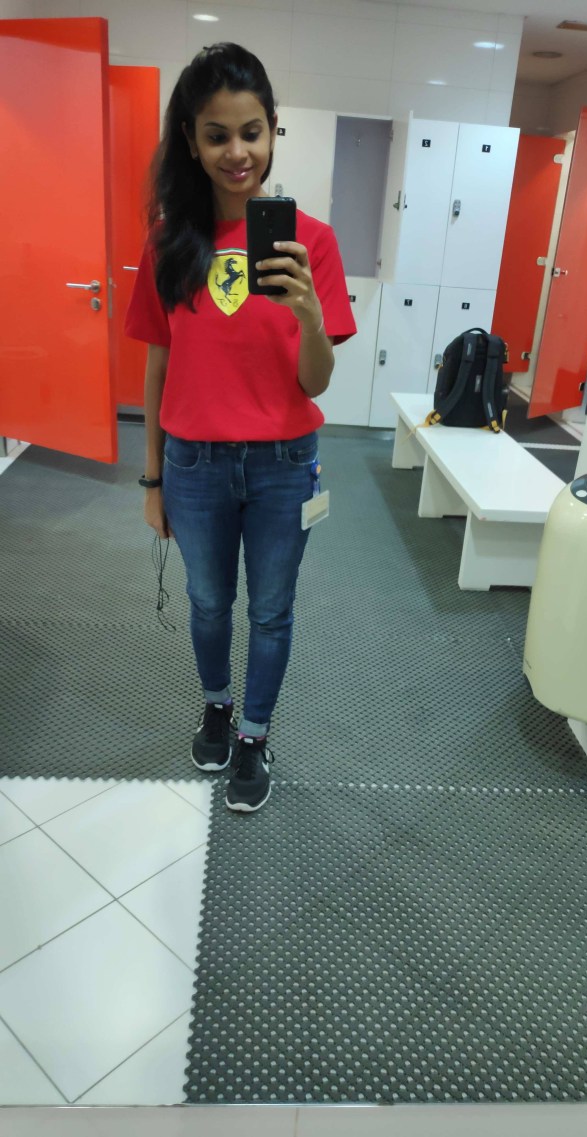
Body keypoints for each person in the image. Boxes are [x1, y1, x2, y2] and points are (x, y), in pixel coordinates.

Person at [125, 42, 356, 814]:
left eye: (252, 132)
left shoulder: (311, 243)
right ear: (191, 141)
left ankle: (255, 734)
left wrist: (309, 316)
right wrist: (152, 478)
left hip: (285, 463)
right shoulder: (168, 242)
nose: (237, 153)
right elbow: (158, 366)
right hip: (192, 465)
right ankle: (218, 707)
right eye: (217, 134)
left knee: (272, 609)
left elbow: (317, 381)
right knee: (207, 601)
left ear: (273, 130)